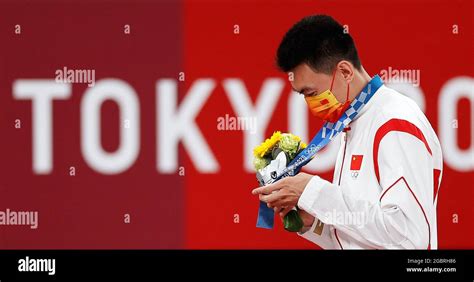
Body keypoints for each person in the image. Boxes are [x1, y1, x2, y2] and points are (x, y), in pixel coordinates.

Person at [251, 15, 443, 249]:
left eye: (310, 92)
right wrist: (314, 224)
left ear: (344, 72)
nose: (309, 103)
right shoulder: (356, 125)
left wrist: (313, 191)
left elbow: (409, 238)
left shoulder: (395, 122)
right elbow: (363, 238)